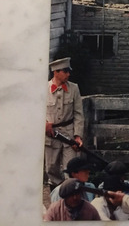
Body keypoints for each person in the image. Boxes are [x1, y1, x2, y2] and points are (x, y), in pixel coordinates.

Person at [45, 57, 84, 191]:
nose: (68, 74)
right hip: (51, 135)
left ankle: (70, 196)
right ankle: (56, 199)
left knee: (71, 168)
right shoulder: (43, 89)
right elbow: (34, 111)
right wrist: (44, 123)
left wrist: (78, 135)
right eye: (65, 71)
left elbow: (78, 114)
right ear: (56, 72)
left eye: (69, 71)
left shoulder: (74, 89)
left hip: (69, 134)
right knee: (51, 168)